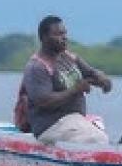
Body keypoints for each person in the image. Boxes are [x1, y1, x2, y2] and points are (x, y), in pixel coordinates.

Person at [20, 15, 113, 145]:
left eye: (64, 33)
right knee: (96, 140)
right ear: (44, 38)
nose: (64, 37)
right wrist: (75, 90)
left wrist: (102, 80)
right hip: (50, 126)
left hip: (73, 121)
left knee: (100, 136)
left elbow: (91, 73)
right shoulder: (37, 67)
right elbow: (44, 101)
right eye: (58, 34)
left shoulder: (69, 58)